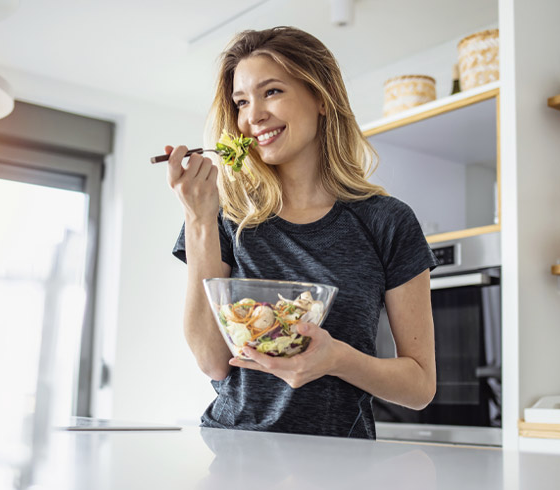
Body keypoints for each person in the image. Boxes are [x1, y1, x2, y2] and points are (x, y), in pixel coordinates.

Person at [167, 26, 437, 440]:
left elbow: (420, 387)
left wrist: (336, 359)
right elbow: (212, 361)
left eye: (271, 91)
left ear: (321, 97)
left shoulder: (389, 222)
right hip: (234, 451)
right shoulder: (223, 215)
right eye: (241, 102)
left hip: (342, 463)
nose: (252, 116)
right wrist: (199, 219)